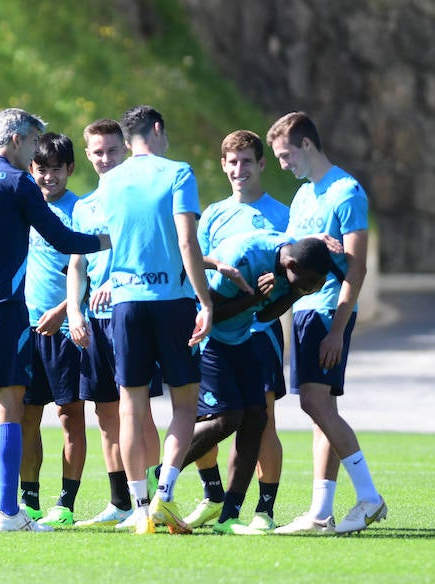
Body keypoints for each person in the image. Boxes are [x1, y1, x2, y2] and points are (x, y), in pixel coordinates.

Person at [0, 108, 107, 532]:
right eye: (31, 143)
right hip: (4, 309)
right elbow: (61, 237)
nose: (33, 152)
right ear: (15, 139)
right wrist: (111, 238)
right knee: (9, 404)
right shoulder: (16, 182)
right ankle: (9, 513)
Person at [96, 105, 217, 534]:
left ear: (127, 142)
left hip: (125, 304)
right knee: (185, 403)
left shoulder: (109, 181)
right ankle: (165, 495)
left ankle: (141, 508)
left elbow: (97, 242)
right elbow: (187, 240)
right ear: (159, 130)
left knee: (130, 408)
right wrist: (205, 300)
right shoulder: (178, 172)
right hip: (172, 300)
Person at [267, 111, 387, 535]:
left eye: (285, 155)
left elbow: (356, 270)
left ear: (305, 145)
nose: (283, 164)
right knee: (322, 410)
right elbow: (290, 254)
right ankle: (321, 512)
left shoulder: (346, 192)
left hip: (326, 313)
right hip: (302, 310)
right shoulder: (303, 197)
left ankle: (370, 497)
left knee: (313, 403)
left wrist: (338, 328)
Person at [181, 129, 292, 531]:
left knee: (261, 420)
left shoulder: (281, 215)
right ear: (223, 165)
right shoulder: (213, 213)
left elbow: (294, 270)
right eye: (232, 162)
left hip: (261, 329)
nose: (239, 169)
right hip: (217, 326)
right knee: (203, 418)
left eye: (247, 161)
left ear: (261, 164)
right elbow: (199, 260)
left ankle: (263, 511)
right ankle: (214, 498)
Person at [187, 231, 333, 534]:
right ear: (290, 264)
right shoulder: (244, 256)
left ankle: (229, 516)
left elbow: (265, 313)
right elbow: (211, 313)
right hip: (210, 339)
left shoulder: (294, 269)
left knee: (256, 417)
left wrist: (296, 293)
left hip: (242, 339)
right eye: (305, 283)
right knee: (225, 420)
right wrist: (253, 297)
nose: (308, 288)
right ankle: (161, 476)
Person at [65, 118, 162, 528]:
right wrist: (74, 309)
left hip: (131, 315)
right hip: (95, 323)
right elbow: (76, 264)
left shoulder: (138, 198)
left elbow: (147, 248)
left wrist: (113, 284)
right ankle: (121, 500)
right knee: (105, 414)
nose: (105, 159)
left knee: (139, 414)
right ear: (88, 156)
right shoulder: (84, 206)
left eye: (112, 151)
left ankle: (158, 497)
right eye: (98, 152)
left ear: (125, 150)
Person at [21, 132, 88, 527]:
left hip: (65, 331)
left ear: (70, 170)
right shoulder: (23, 207)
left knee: (69, 415)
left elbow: (93, 271)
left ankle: (65, 503)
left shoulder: (80, 211)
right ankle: (29, 500)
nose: (49, 177)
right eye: (42, 169)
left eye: (56, 170)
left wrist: (65, 310)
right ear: (32, 170)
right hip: (25, 329)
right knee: (27, 415)